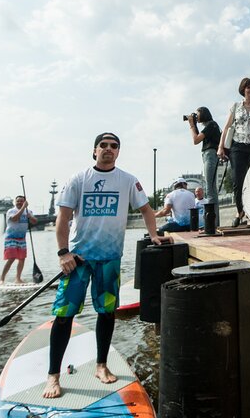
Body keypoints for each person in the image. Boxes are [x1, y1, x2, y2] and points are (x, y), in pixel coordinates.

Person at [43, 132, 168, 399]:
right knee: (64, 315)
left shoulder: (128, 180)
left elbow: (146, 209)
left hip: (109, 259)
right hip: (78, 260)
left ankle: (101, 365)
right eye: (104, 146)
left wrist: (154, 235)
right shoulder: (78, 180)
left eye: (114, 146)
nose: (108, 150)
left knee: (107, 312)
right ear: (94, 151)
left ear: (118, 152)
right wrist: (63, 252)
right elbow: (63, 218)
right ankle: (53, 375)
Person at [217, 77, 250, 227]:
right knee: (237, 181)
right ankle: (240, 212)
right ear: (243, 90)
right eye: (248, 87)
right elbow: (226, 128)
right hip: (238, 147)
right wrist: (221, 147)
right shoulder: (235, 106)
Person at [187, 107, 220, 235]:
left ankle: (211, 225)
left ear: (204, 113)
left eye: (197, 114)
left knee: (210, 189)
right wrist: (194, 124)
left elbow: (196, 140)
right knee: (211, 188)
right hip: (209, 155)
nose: (196, 116)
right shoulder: (211, 126)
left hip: (210, 155)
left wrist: (191, 125)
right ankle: (213, 223)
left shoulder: (211, 124)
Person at [0, 195, 38, 284]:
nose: (19, 203)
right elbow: (14, 218)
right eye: (18, 201)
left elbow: (35, 221)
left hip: (22, 238)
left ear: (24, 202)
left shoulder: (28, 211)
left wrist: (30, 217)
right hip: (11, 237)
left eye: (21, 201)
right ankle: (2, 279)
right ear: (15, 202)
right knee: (11, 258)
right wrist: (24, 207)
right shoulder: (11, 211)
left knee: (22, 258)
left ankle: (18, 279)